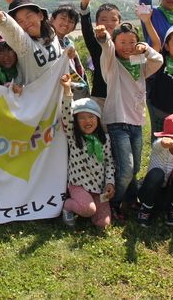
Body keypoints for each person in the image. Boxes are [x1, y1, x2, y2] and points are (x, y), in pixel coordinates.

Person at [95, 22, 163, 220]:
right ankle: (114, 204)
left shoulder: (139, 62)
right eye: (122, 42)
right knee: (126, 169)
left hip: (136, 123)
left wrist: (145, 47)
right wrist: (104, 38)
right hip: (117, 122)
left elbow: (157, 60)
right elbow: (107, 48)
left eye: (131, 42)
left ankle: (131, 199)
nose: (127, 46)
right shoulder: (111, 64)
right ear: (115, 42)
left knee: (135, 167)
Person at [59, 75, 115, 229]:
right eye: (82, 118)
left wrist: (110, 183)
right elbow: (66, 114)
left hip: (98, 188)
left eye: (91, 117)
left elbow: (109, 162)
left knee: (103, 224)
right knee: (88, 209)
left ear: (98, 119)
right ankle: (67, 206)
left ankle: (89, 208)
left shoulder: (105, 139)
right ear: (76, 122)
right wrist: (67, 89)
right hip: (79, 185)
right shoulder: (73, 136)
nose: (87, 121)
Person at [0, 0, 62, 84]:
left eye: (28, 16)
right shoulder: (24, 46)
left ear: (40, 15)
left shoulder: (51, 33)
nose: (26, 22)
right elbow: (11, 29)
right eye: (20, 21)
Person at [78, 0, 122, 114]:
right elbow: (86, 29)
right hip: (100, 99)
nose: (109, 23)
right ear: (97, 24)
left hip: (123, 99)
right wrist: (85, 4)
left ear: (120, 22)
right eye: (103, 20)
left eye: (114, 20)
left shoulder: (128, 45)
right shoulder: (96, 45)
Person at [50, 3, 88, 98]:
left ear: (74, 27)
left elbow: (78, 70)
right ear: (52, 20)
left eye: (71, 21)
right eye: (63, 19)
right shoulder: (44, 40)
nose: (66, 23)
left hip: (67, 89)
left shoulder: (69, 43)